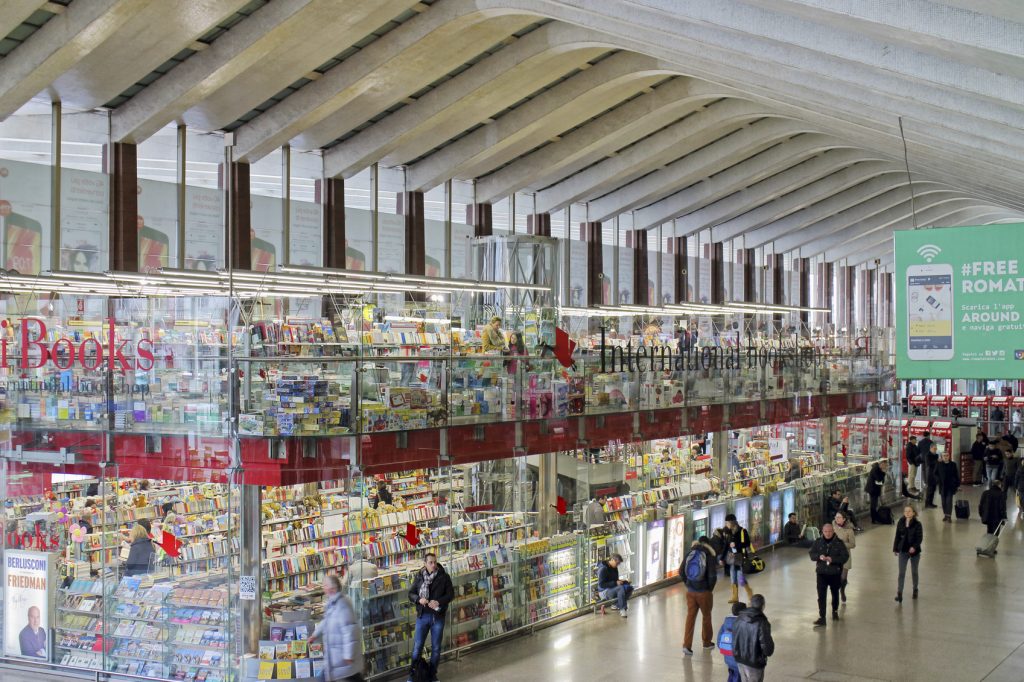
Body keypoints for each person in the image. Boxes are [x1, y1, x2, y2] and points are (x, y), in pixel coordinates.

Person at [408, 553, 454, 680]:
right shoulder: (419, 577)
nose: (433, 565)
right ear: (425, 564)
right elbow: (410, 593)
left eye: (435, 562)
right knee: (417, 647)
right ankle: (413, 675)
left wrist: (438, 602)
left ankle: (432, 675)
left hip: (437, 617)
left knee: (436, 648)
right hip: (422, 616)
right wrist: (418, 599)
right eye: (430, 562)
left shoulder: (444, 577)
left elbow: (450, 595)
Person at [311, 574, 363, 681]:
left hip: (342, 658)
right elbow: (326, 621)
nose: (323, 588)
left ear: (332, 588)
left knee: (351, 677)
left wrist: (349, 655)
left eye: (325, 585)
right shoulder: (332, 603)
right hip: (337, 657)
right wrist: (315, 635)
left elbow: (350, 631)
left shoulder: (342, 604)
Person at [681, 536, 718, 656]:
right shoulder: (709, 555)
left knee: (690, 617)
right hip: (704, 592)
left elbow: (681, 571)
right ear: (708, 544)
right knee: (706, 616)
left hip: (690, 591)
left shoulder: (690, 553)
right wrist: (708, 589)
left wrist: (688, 584)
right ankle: (707, 642)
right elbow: (712, 576)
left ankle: (687, 646)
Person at [808, 523, 849, 626]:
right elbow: (811, 554)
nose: (828, 533)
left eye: (830, 531)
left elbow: (845, 557)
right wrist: (819, 556)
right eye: (825, 531)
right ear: (822, 531)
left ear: (833, 531)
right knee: (821, 596)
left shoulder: (839, 543)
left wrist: (833, 559)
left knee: (835, 593)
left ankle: (835, 611)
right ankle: (822, 617)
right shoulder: (818, 542)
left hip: (834, 573)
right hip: (821, 573)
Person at [732, 594, 774, 682]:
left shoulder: (739, 618)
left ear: (750, 604)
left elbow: (734, 638)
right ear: (763, 606)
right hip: (754, 663)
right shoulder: (762, 623)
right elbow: (768, 649)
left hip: (740, 659)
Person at [893, 505, 923, 602]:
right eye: (905, 511)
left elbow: (919, 538)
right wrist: (895, 548)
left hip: (914, 553)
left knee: (914, 572)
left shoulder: (918, 524)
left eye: (909, 511)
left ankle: (915, 589)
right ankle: (899, 593)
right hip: (903, 551)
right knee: (901, 572)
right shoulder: (900, 522)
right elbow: (897, 536)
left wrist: (914, 547)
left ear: (914, 513)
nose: (907, 513)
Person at [723, 514, 754, 605]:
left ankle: (749, 593)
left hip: (740, 557)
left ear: (732, 522)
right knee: (733, 577)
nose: (726, 524)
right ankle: (735, 596)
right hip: (732, 559)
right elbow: (726, 545)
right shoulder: (727, 532)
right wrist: (722, 557)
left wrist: (736, 546)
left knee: (740, 578)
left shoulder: (742, 531)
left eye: (727, 522)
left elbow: (747, 543)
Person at [717, 601, 746, 682]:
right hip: (740, 659)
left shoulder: (725, 624)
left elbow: (719, 642)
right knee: (738, 677)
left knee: (732, 674)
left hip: (728, 657)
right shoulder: (744, 625)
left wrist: (727, 650)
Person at [597, 553, 633, 617]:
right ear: (612, 560)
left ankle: (616, 604)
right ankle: (622, 609)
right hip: (604, 591)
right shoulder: (603, 569)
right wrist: (615, 583)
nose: (617, 565)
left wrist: (624, 581)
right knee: (620, 588)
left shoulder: (614, 568)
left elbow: (615, 580)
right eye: (617, 563)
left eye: (618, 564)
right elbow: (601, 585)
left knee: (629, 587)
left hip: (612, 588)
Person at [832, 510, 855, 603]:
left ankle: (842, 590)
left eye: (839, 517)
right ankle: (835, 594)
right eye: (836, 517)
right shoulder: (833, 526)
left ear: (844, 519)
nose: (837, 519)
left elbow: (853, 544)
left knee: (843, 578)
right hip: (834, 556)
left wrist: (841, 544)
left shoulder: (849, 530)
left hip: (845, 557)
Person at [935, 450, 960, 522]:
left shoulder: (953, 464)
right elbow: (935, 473)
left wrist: (958, 485)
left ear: (949, 456)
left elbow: (956, 475)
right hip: (942, 486)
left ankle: (949, 516)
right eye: (944, 456)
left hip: (951, 486)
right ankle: (945, 515)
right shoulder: (939, 464)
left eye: (947, 455)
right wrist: (938, 480)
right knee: (943, 502)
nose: (946, 457)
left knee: (949, 501)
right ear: (942, 457)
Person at [923, 442, 940, 508]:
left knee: (933, 489)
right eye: (934, 449)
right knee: (929, 490)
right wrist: (937, 461)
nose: (935, 450)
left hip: (935, 474)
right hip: (930, 474)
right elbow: (928, 464)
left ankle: (931, 502)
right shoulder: (927, 455)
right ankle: (927, 503)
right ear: (931, 448)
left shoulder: (936, 455)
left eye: (936, 449)